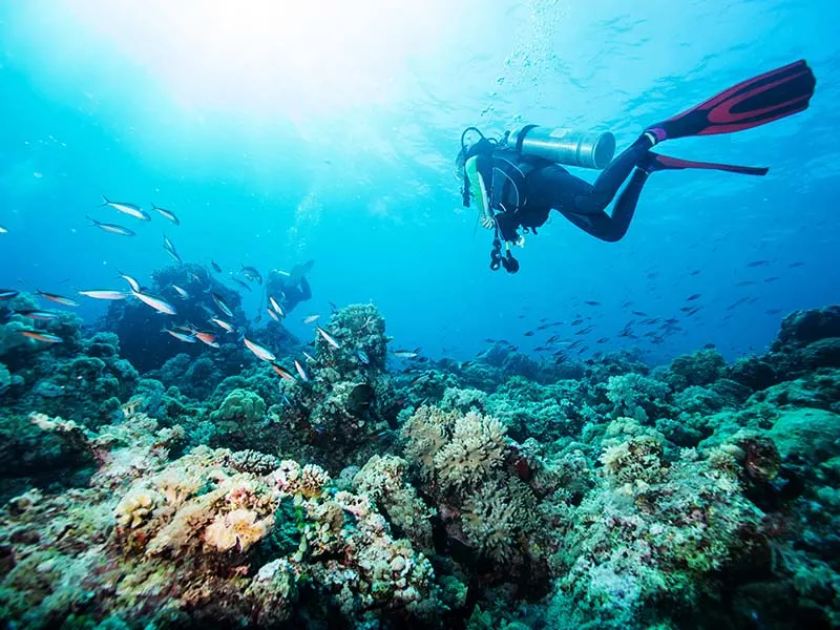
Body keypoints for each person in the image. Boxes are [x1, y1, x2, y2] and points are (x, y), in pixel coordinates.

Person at [457, 60, 817, 273]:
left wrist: (486, 207)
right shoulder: (494, 188)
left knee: (595, 199)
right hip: (544, 194)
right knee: (611, 232)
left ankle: (650, 137)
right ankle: (646, 166)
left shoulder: (479, 164)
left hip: (541, 177)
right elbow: (512, 217)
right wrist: (508, 236)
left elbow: (474, 171)